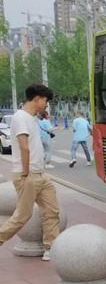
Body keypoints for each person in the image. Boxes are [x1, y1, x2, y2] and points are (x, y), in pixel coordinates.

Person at [0, 84, 60, 261]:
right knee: (22, 215)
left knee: (52, 210)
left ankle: (51, 246)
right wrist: (25, 174)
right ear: (37, 99)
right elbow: (24, 147)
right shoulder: (21, 118)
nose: (46, 105)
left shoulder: (32, 118)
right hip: (28, 175)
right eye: (46, 101)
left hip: (40, 175)